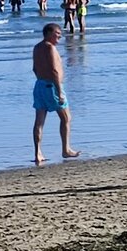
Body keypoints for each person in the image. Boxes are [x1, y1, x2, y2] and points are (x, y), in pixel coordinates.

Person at [32, 23, 81, 165]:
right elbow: (54, 70)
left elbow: (35, 69)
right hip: (52, 86)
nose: (59, 36)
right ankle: (66, 149)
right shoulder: (49, 47)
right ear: (48, 33)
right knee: (66, 117)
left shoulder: (37, 47)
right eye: (57, 33)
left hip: (40, 85)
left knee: (39, 121)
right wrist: (59, 90)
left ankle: (38, 153)